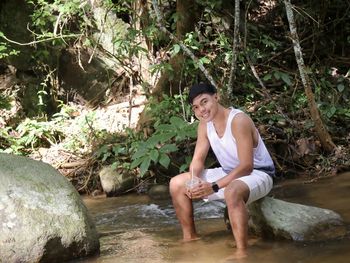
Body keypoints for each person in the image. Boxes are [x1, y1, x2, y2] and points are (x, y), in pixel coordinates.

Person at [169, 83, 275, 259]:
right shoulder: (204, 125)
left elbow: (246, 166)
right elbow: (198, 159)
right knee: (176, 184)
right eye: (196, 107)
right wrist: (194, 180)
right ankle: (190, 238)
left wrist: (214, 186)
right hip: (229, 172)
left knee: (232, 191)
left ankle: (242, 253)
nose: (201, 110)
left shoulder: (238, 120)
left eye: (204, 102)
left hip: (259, 173)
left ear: (216, 97)